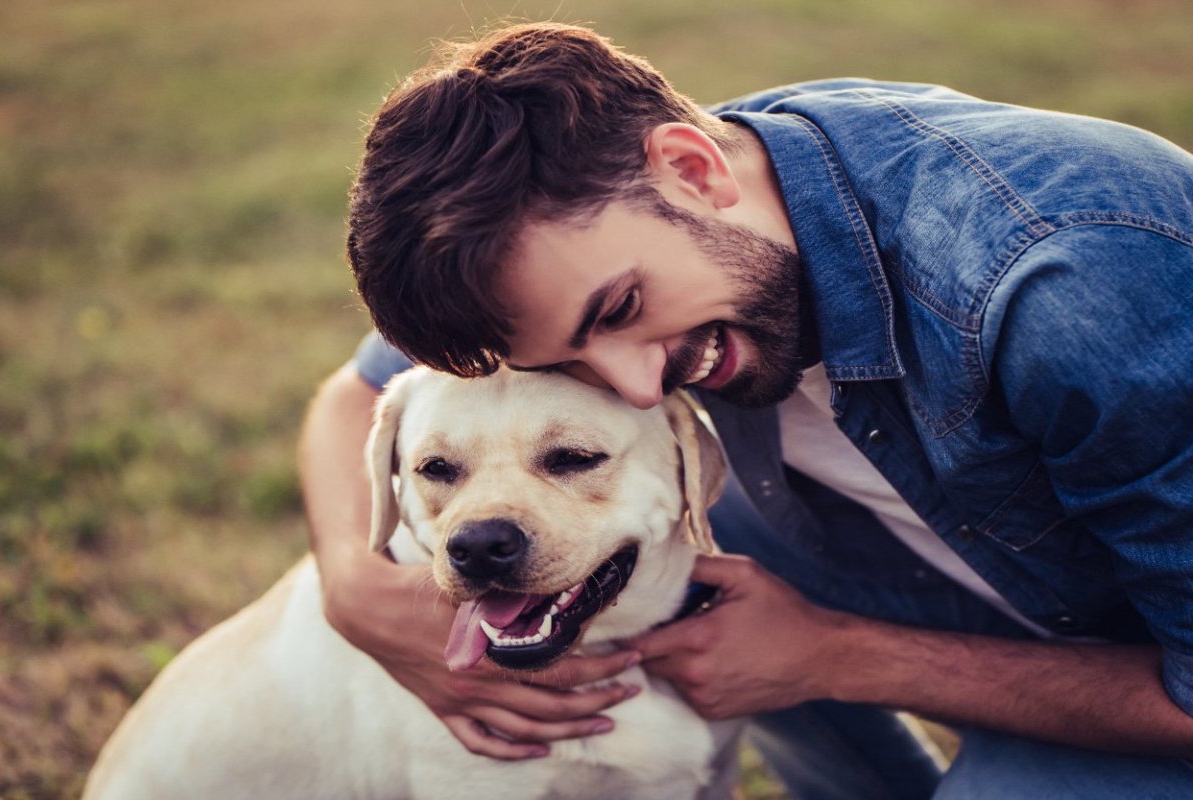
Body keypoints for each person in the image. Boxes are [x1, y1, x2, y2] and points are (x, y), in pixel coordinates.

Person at [300, 21, 1193, 799]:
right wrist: (352, 585)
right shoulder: (639, 198)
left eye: (618, 313)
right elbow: (360, 395)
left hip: (1156, 658)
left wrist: (834, 652)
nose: (639, 384)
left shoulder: (1069, 287)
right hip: (982, 568)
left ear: (692, 167)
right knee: (673, 524)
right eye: (566, 363)